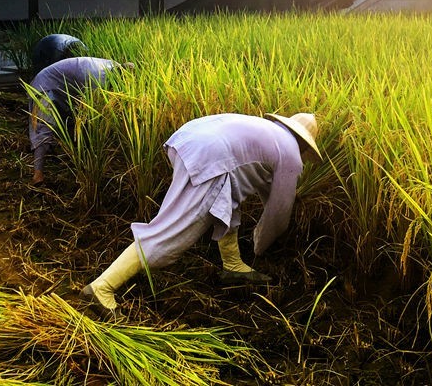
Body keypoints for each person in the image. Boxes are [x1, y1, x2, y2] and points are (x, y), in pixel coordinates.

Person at [80, 112, 321, 314]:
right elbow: (279, 212)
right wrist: (261, 246)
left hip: (186, 141)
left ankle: (233, 265)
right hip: (209, 157)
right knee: (171, 233)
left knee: (228, 197)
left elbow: (264, 189)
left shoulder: (268, 132)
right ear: (304, 143)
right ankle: (102, 288)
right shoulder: (290, 153)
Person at [27, 56, 130, 186]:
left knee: (72, 123)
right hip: (45, 85)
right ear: (120, 76)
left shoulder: (114, 66)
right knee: (43, 128)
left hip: (63, 87)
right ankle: (38, 174)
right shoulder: (99, 78)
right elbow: (93, 114)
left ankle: (70, 159)